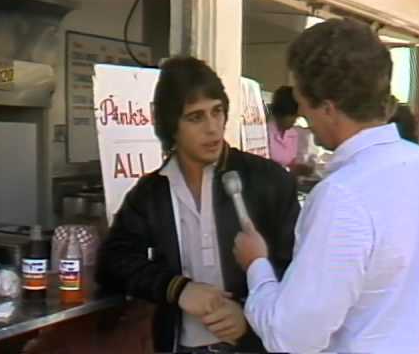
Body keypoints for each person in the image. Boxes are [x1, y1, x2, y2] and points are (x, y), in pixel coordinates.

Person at [233, 18, 419, 353]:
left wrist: (257, 266)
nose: (301, 116)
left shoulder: (344, 196)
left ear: (328, 109)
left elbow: (292, 337)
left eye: (303, 102)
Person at [95, 56, 300, 353]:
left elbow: (298, 273)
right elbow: (113, 262)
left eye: (217, 112)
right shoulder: (152, 193)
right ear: (170, 126)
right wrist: (177, 288)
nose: (213, 129)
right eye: (195, 117)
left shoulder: (268, 181)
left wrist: (248, 316)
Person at [267, 85, 314, 176]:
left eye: (296, 116)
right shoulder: (266, 134)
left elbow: (290, 162)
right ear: (281, 113)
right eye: (292, 116)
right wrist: (289, 170)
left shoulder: (294, 134)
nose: (294, 120)